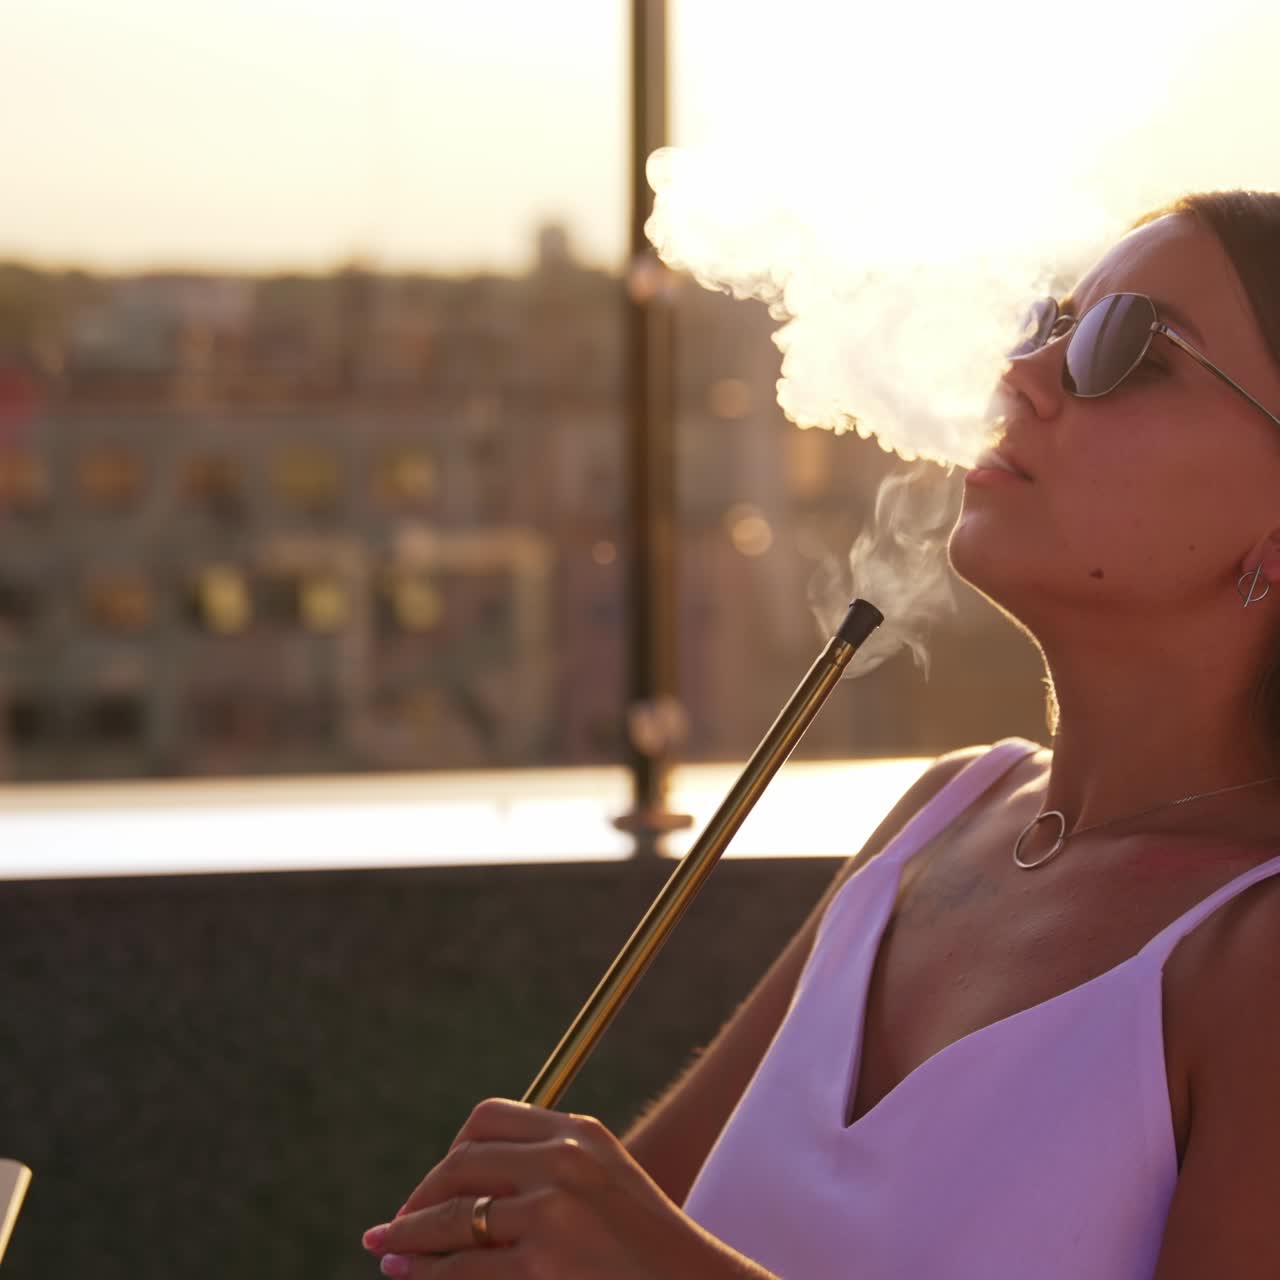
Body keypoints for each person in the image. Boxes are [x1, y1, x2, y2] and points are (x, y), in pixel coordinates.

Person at [359, 191, 1280, 1278]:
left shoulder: (1255, 957)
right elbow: (604, 1236)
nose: (1022, 373)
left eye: (1126, 349)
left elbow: (648, 1253)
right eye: (1051, 323)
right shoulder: (943, 817)